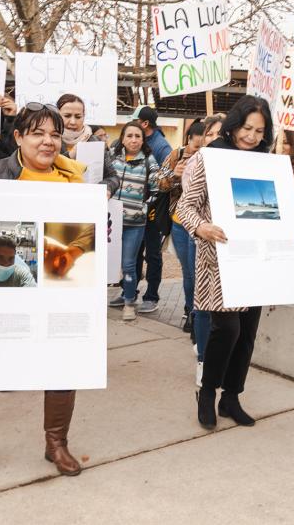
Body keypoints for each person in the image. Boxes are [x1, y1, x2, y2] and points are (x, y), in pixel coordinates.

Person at [0, 103, 89, 477]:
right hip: (7, 289)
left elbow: (77, 238)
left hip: (60, 288)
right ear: (18, 137)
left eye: (55, 134)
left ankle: (56, 444)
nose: (48, 142)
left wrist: (93, 237)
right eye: (38, 133)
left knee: (64, 364)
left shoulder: (75, 182)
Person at [177, 96, 294, 429]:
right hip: (218, 260)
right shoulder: (208, 159)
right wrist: (201, 227)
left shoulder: (268, 164)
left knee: (247, 333)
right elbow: (185, 207)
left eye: (259, 130)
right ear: (234, 124)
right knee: (227, 329)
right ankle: (207, 392)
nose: (251, 136)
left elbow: (282, 214)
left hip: (258, 261)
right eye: (247, 127)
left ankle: (232, 397)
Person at [157, 118, 205, 384]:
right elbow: (158, 182)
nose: (196, 151)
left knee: (200, 274)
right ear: (188, 140)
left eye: (201, 147)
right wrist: (175, 174)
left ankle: (200, 320)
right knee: (189, 272)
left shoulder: (212, 159)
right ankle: (191, 312)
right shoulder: (176, 155)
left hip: (204, 225)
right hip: (179, 222)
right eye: (193, 145)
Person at [182, 113, 226, 374]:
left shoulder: (239, 160)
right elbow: (188, 202)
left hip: (227, 243)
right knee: (201, 298)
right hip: (199, 236)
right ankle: (202, 357)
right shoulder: (199, 160)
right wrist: (200, 227)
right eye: (209, 134)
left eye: (219, 134)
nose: (213, 139)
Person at [108, 121, 159, 321]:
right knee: (105, 263)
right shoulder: (111, 157)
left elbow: (157, 189)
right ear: (122, 138)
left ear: (143, 139)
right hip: (110, 222)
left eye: (138, 136)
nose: (133, 140)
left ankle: (129, 302)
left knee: (128, 264)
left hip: (134, 224)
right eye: (129, 135)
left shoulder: (149, 160)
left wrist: (144, 207)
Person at [133, 106, 172, 313]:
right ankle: (129, 292)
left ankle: (151, 296)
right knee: (134, 252)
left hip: (153, 210)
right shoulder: (139, 140)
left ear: (145, 123)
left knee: (153, 254)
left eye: (135, 120)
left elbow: (168, 178)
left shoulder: (162, 147)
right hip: (135, 209)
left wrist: (153, 193)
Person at [55, 93, 119, 198]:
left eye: (78, 116)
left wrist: (107, 188)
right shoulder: (50, 140)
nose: (73, 121)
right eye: (67, 116)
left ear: (84, 116)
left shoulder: (95, 142)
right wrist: (69, 155)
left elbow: (113, 177)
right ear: (57, 115)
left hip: (88, 202)